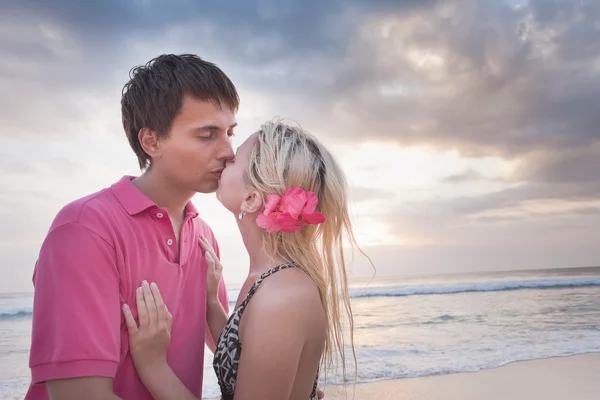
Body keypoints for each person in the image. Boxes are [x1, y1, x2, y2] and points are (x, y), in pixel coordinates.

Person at [25, 54, 238, 399]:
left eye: (230, 132)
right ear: (151, 142)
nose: (229, 151)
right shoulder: (84, 230)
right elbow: (80, 395)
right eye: (207, 135)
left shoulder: (204, 236)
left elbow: (232, 358)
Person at [122, 119, 362, 399]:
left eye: (234, 160)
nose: (225, 157)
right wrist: (212, 302)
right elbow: (246, 355)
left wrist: (154, 367)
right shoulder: (269, 279)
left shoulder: (282, 297)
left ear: (250, 199)